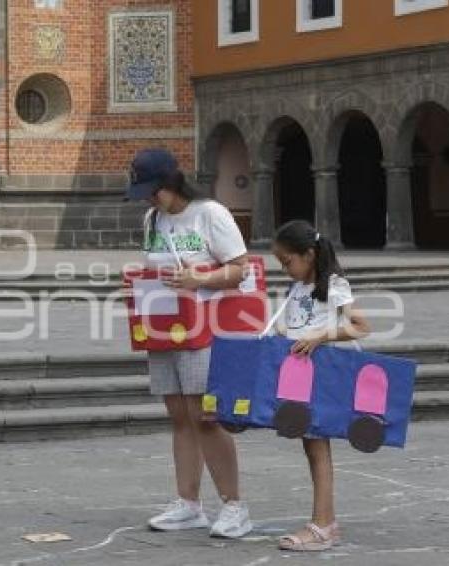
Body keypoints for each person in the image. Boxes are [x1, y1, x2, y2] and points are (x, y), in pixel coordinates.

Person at [124, 148, 253, 538]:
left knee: (205, 417)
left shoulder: (210, 213)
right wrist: (138, 277)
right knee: (179, 416)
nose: (148, 198)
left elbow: (240, 269)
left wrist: (201, 280)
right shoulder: (153, 217)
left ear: (171, 183)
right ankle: (189, 503)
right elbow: (157, 265)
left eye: (153, 190)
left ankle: (234, 505)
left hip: (206, 327)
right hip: (163, 323)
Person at [271, 219, 371, 552]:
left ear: (309, 254)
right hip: (300, 377)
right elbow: (298, 325)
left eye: (288, 262)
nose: (286, 269)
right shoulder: (297, 288)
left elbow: (360, 326)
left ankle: (324, 525)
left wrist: (319, 337)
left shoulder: (333, 283)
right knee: (312, 447)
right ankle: (324, 522)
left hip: (320, 377)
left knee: (318, 449)